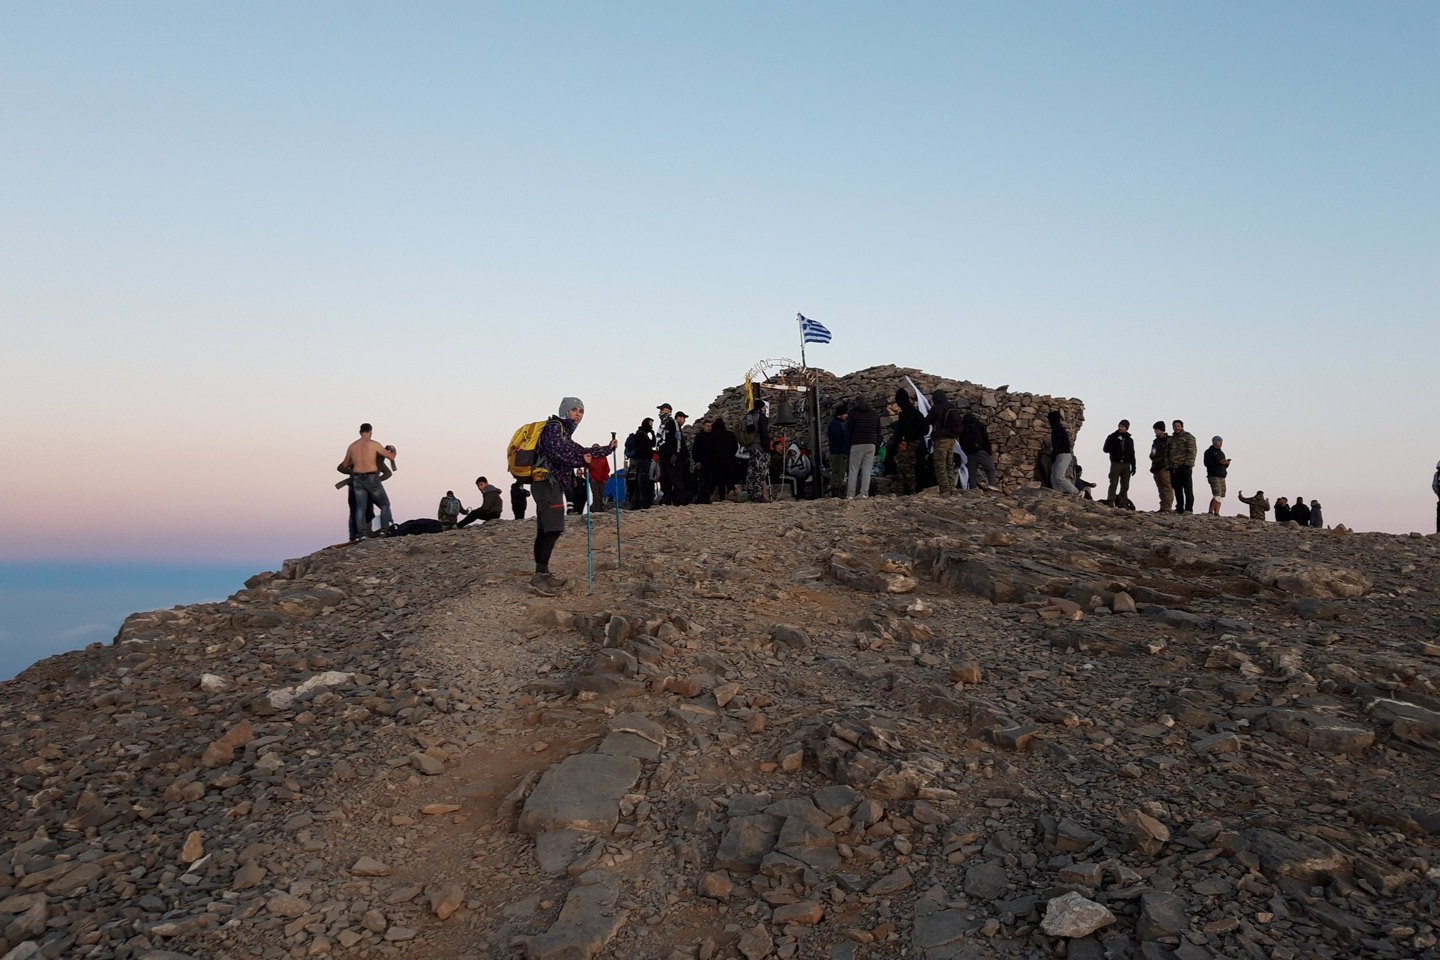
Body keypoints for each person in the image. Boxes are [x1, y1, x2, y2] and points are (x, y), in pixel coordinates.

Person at [529, 397, 616, 595]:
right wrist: (580, 461)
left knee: (546, 529)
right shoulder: (554, 427)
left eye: (581, 411)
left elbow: (581, 451)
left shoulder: (564, 433)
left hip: (549, 485)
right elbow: (555, 453)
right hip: (547, 484)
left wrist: (608, 449)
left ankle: (542, 573)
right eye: (574, 410)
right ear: (565, 411)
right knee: (552, 529)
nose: (578, 414)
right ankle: (539, 577)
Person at [339, 423, 397, 540]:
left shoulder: (352, 447)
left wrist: (354, 466)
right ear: (370, 432)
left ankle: (361, 534)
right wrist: (393, 450)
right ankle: (384, 530)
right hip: (371, 477)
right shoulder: (374, 444)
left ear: (360, 432)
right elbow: (391, 457)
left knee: (360, 507)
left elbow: (344, 465)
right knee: (384, 504)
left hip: (357, 479)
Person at [926, 389, 963, 496]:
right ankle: (952, 486)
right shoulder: (951, 406)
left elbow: (927, 421)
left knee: (940, 464)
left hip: (941, 439)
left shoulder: (936, 408)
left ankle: (944, 488)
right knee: (949, 463)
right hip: (952, 439)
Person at [889, 388, 926, 495]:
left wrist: (900, 440)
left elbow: (901, 430)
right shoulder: (916, 412)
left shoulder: (905, 413)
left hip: (906, 444)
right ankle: (910, 491)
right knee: (908, 468)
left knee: (904, 469)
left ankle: (908, 491)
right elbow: (924, 428)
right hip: (914, 443)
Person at [845, 395, 881, 500]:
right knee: (867, 470)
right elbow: (878, 431)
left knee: (853, 469)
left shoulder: (853, 413)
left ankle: (850, 494)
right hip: (871, 443)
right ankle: (864, 493)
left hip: (856, 443)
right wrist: (876, 444)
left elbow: (848, 431)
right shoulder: (874, 414)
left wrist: (847, 446)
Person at [740, 398, 770, 502]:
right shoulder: (760, 417)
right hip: (759, 447)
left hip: (750, 447)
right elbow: (764, 433)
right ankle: (758, 495)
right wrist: (767, 448)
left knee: (751, 471)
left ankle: (751, 494)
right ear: (762, 407)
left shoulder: (748, 416)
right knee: (759, 471)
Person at [1102, 420, 1136, 507]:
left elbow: (1132, 453)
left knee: (1125, 485)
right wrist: (1116, 441)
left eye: (1123, 426)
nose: (1120, 428)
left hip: (1126, 464)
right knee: (1113, 483)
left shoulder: (1129, 440)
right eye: (1120, 426)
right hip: (1116, 463)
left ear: (1126, 428)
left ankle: (1123, 502)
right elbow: (1105, 449)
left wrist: (1133, 466)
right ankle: (1110, 500)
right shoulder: (1112, 437)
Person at [959, 412, 995, 491]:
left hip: (969, 453)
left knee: (972, 472)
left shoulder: (962, 426)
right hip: (981, 451)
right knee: (990, 469)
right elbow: (985, 439)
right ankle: (992, 486)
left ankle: (973, 489)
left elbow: (961, 441)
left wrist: (965, 451)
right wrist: (988, 451)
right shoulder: (979, 425)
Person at [1047, 410, 1079, 494]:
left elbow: (1057, 444)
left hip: (1062, 455)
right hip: (1062, 454)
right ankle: (1058, 493)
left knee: (1059, 477)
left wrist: (1053, 455)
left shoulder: (1057, 429)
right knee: (1053, 478)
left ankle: (1076, 492)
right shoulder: (1059, 429)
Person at [1169, 420, 1197, 514]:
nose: (1176, 428)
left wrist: (1188, 464)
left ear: (1181, 426)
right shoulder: (1172, 439)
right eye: (1174, 426)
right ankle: (1179, 508)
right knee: (1177, 489)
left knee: (1187, 489)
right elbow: (1168, 452)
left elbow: (1192, 451)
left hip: (1185, 466)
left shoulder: (1188, 437)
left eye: (1178, 426)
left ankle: (1188, 508)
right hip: (1174, 467)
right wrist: (1168, 465)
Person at [628, 417, 656, 509]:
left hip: (643, 461)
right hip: (643, 461)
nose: (651, 425)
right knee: (642, 482)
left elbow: (652, 444)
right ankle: (642, 504)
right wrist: (652, 453)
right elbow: (645, 449)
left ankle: (637, 504)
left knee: (641, 482)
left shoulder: (644, 434)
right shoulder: (641, 434)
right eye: (650, 423)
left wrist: (653, 435)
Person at [655, 403, 680, 505]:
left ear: (668, 410)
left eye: (662, 409)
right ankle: (666, 500)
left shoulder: (672, 422)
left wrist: (676, 453)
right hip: (662, 456)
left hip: (670, 455)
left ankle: (678, 501)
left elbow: (678, 438)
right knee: (664, 479)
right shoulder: (662, 424)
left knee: (674, 478)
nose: (660, 411)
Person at [1149, 421, 1174, 513]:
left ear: (1162, 429)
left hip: (1165, 466)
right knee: (1160, 487)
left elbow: (1172, 453)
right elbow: (1152, 454)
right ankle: (1163, 506)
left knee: (1166, 486)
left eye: (1157, 429)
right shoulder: (1155, 441)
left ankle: (1167, 506)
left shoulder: (1169, 440)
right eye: (1155, 430)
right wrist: (1152, 455)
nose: (1155, 431)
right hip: (1156, 466)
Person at [1203, 436, 1230, 516]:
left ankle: (1217, 512)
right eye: (1219, 441)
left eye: (1221, 441)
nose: (1221, 443)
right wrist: (1219, 462)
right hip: (1214, 475)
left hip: (1222, 475)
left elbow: (1223, 465)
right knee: (1217, 494)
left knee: (1221, 495)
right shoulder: (1209, 452)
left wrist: (1226, 463)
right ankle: (1210, 511)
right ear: (1215, 442)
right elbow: (1207, 463)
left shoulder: (1221, 453)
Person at [827, 404, 850, 497]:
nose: (846, 415)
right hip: (838, 452)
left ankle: (838, 491)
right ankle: (836, 492)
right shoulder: (835, 424)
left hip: (840, 451)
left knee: (840, 472)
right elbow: (837, 437)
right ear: (840, 414)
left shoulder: (838, 423)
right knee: (838, 472)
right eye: (845, 414)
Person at [671, 412, 693, 505]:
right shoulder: (675, 428)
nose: (684, 421)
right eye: (683, 418)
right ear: (678, 418)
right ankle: (679, 501)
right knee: (678, 481)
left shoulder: (677, 429)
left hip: (680, 459)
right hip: (678, 460)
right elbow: (678, 444)